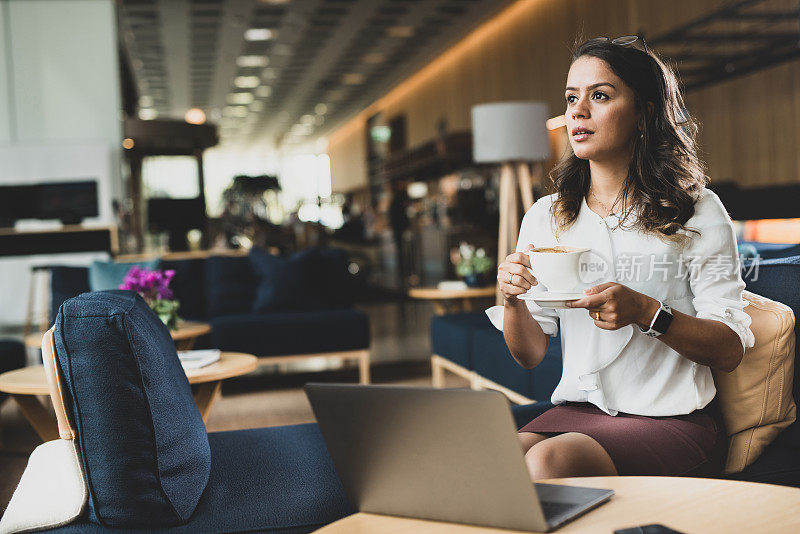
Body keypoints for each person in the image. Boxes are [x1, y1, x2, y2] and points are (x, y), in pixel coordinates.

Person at [486, 35, 755, 481]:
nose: (577, 110)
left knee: (547, 463)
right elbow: (530, 354)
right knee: (497, 465)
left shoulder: (697, 209)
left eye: (600, 95)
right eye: (572, 97)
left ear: (645, 112)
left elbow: (729, 350)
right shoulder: (545, 216)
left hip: (672, 420)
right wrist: (514, 299)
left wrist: (647, 312)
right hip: (579, 411)